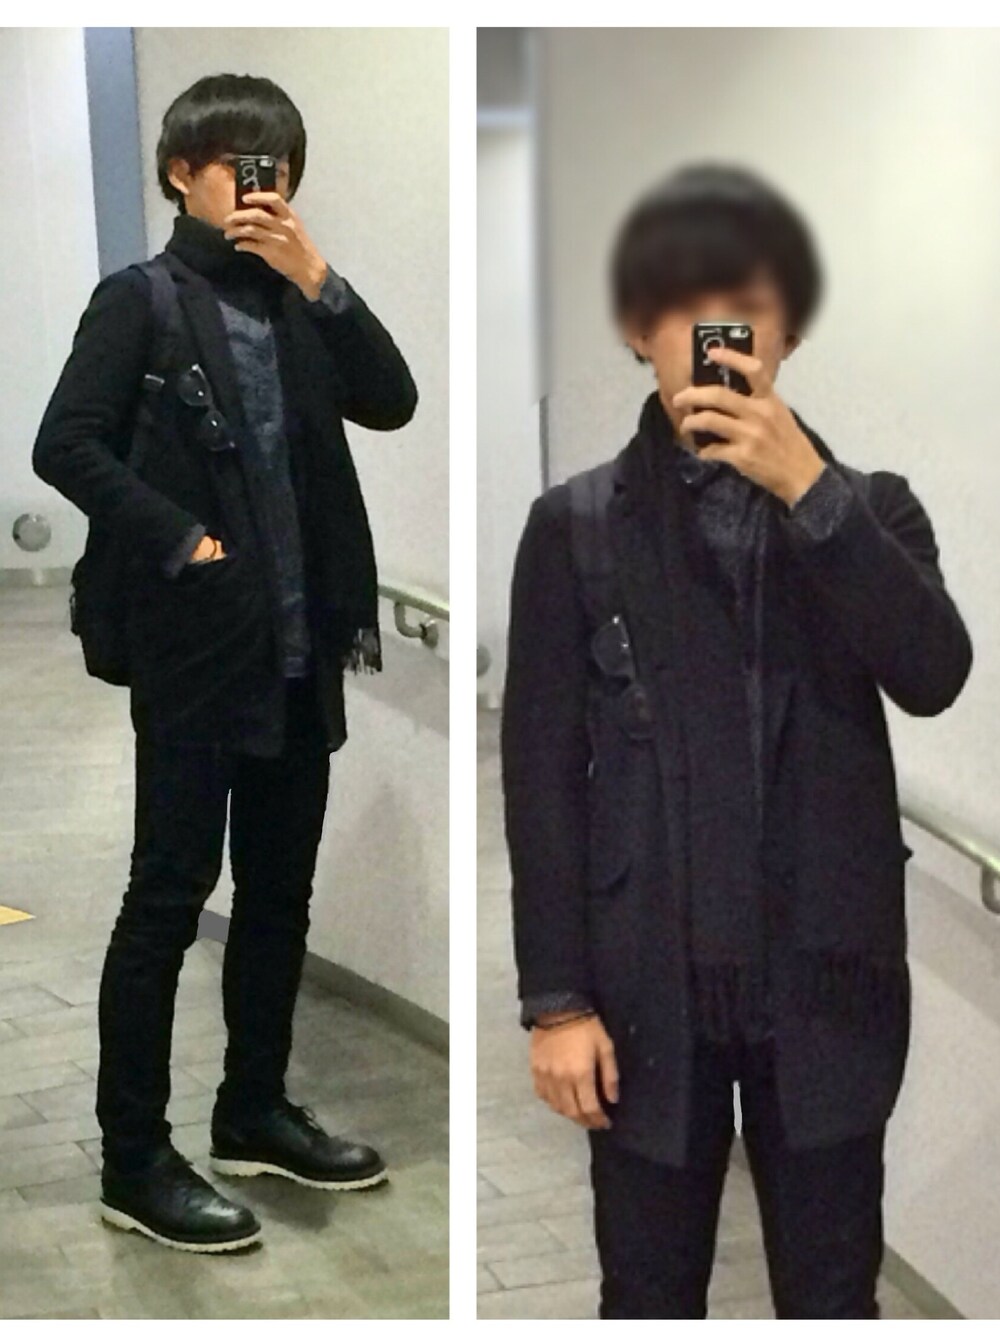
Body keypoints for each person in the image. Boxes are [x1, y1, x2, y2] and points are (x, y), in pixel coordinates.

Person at [502, 163, 972, 1318]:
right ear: (636, 328)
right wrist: (555, 999)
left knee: (830, 1289)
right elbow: (541, 776)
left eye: (745, 307)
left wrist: (809, 492)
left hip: (826, 988)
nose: (712, 334)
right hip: (641, 992)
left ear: (786, 335)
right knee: (648, 1289)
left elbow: (933, 673)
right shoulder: (573, 529)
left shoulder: (872, 510)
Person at [33, 72, 417, 1253]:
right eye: (239, 164)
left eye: (278, 169)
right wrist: (181, 538)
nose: (262, 185)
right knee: (167, 896)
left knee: (280, 892)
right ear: (179, 172)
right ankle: (134, 1157)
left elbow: (393, 400)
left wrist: (319, 275)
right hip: (197, 648)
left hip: (299, 649)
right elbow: (66, 444)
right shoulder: (140, 300)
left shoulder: (297, 303)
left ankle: (253, 1108)